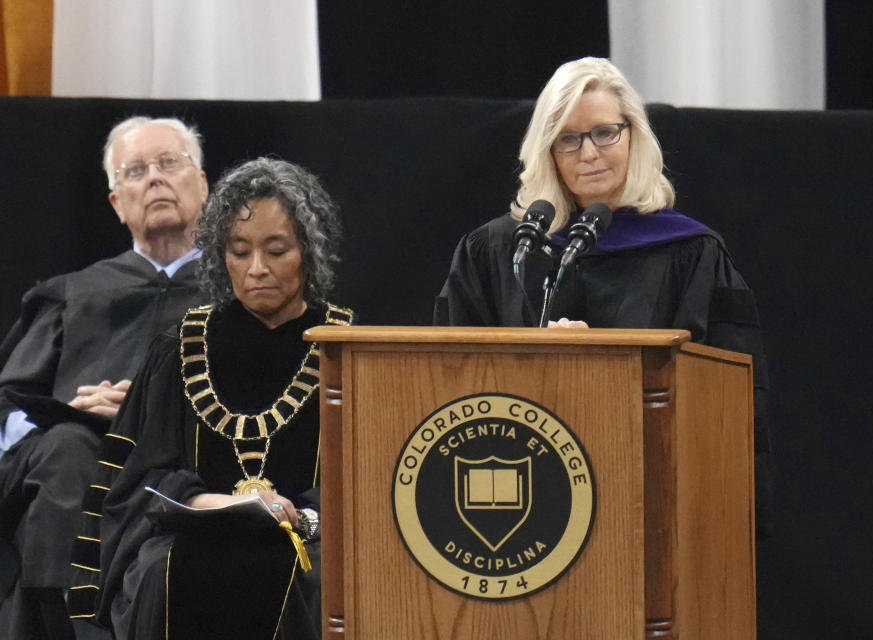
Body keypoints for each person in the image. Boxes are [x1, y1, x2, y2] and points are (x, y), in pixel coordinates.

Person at [434, 56, 772, 533]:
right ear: (548, 152)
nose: (588, 153)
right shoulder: (498, 252)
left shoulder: (691, 253)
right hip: (521, 495)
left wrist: (607, 364)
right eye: (568, 139)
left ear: (632, 135)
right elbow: (444, 379)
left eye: (604, 133)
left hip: (651, 499)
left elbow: (727, 400)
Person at [86, 158, 352, 639]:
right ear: (219, 256)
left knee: (314, 578)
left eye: (277, 250)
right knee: (158, 571)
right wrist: (205, 500)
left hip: (313, 544)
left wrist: (304, 515)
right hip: (191, 540)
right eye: (239, 250)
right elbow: (139, 477)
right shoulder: (182, 347)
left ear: (308, 253)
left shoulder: (348, 351)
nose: (257, 269)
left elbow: (368, 482)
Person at [0, 116, 209, 639]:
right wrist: (65, 415)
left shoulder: (238, 294)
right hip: (75, 463)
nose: (155, 179)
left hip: (187, 455)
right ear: (117, 203)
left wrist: (140, 413)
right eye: (135, 171)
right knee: (66, 449)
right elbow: (9, 407)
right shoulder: (73, 294)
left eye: (169, 164)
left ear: (202, 184)